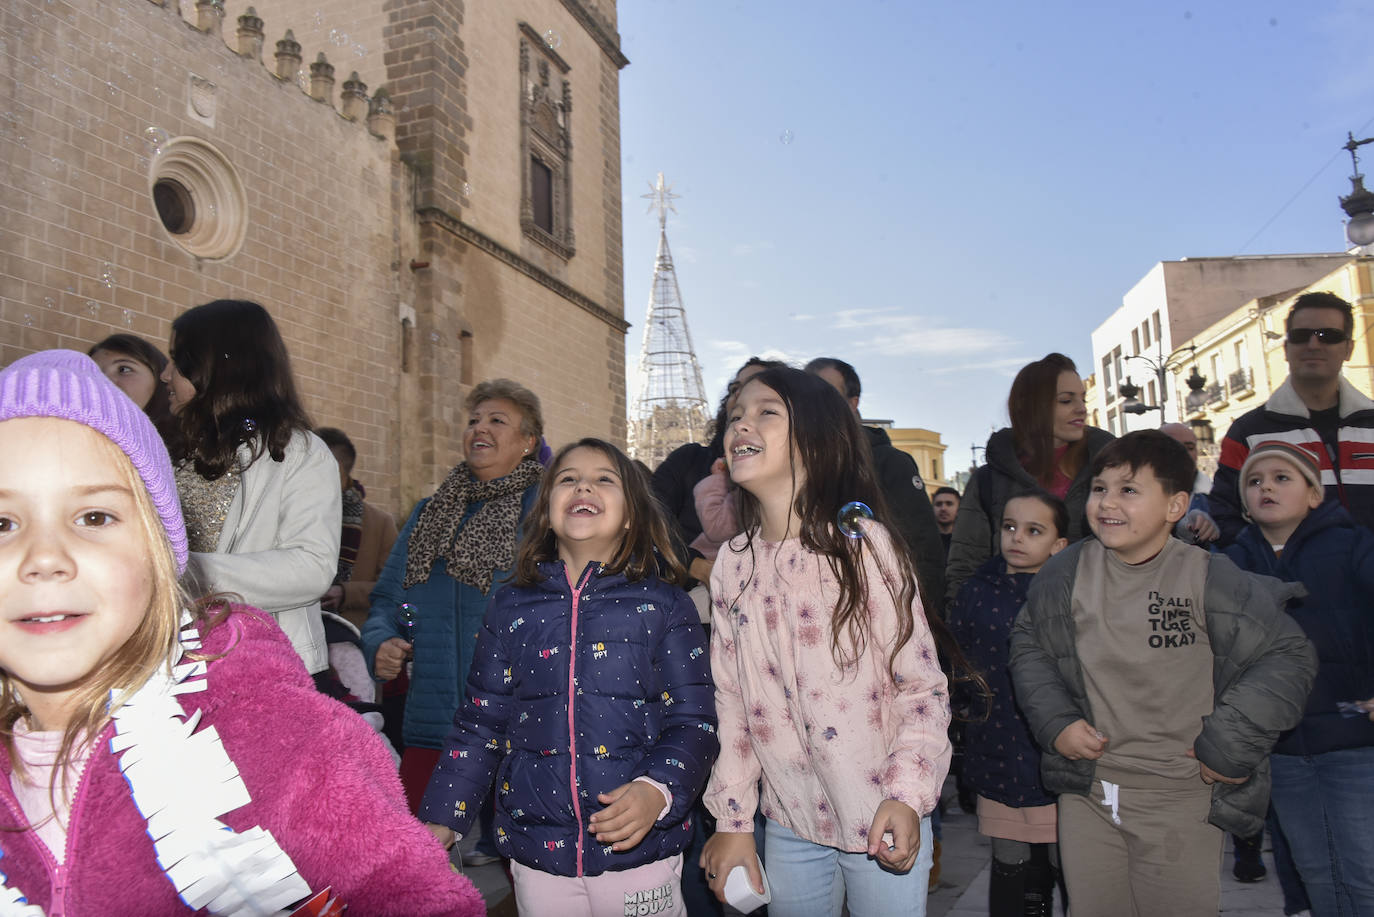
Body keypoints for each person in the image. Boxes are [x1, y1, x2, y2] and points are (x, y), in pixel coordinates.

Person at [0, 350, 483, 916]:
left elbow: (409, 890)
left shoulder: (271, 736)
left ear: (159, 551)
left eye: (94, 517)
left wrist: (375, 631)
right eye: (2, 523)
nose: (44, 558)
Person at [1008, 430, 1317, 917]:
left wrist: (1231, 743)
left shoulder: (1209, 576)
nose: (1107, 502)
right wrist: (1056, 722)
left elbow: (1288, 656)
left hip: (1178, 796)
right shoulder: (1065, 572)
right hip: (1088, 793)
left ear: (1175, 506)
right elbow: (1030, 647)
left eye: (1129, 490)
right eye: (1099, 488)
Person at [420, 439, 717, 916]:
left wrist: (657, 789)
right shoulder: (510, 606)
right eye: (567, 478)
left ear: (630, 516)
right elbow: (480, 725)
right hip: (537, 854)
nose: (583, 484)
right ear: (546, 512)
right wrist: (442, 819)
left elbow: (694, 721)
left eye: (604, 478)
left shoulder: (666, 606)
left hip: (638, 855)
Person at [699, 367, 952, 917]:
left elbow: (921, 686)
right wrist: (735, 821)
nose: (741, 423)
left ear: (818, 439)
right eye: (735, 414)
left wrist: (907, 796)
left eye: (767, 411)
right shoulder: (732, 566)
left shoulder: (864, 548)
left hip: (883, 809)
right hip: (791, 823)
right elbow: (733, 703)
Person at [361, 379, 544, 817]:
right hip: (435, 721)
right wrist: (380, 641)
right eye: (473, 421)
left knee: (530, 862)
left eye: (497, 421)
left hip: (522, 722)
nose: (479, 428)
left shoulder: (546, 512)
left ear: (528, 442)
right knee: (416, 854)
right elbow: (388, 599)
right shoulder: (431, 512)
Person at [1223, 441, 1374, 916]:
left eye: (1282, 477)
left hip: (1353, 738)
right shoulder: (1231, 567)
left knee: (1363, 869)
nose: (1265, 485)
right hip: (1281, 750)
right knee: (1313, 870)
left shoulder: (1354, 545)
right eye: (1254, 480)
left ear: (1315, 495)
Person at [162, 300, 341, 680]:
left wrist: (187, 571)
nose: (165, 375)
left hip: (268, 668)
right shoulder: (170, 452)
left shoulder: (298, 453)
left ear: (217, 367)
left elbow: (312, 567)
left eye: (177, 361)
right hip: (180, 667)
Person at [949, 492, 1068, 917]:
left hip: (1056, 751)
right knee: (1009, 856)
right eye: (1009, 527)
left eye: (1034, 530)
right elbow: (957, 661)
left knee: (1064, 859)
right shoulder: (977, 591)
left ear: (1059, 544)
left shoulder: (1072, 594)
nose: (1017, 538)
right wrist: (963, 718)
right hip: (996, 745)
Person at [945, 353, 1113, 605]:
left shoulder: (1109, 472)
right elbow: (964, 565)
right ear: (1030, 406)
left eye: (1082, 398)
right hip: (1006, 628)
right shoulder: (988, 480)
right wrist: (960, 629)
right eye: (1066, 400)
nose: (1081, 408)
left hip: (1095, 624)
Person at [1210, 291, 1374, 544]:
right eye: (1300, 336)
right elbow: (1224, 516)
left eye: (1328, 336)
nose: (1313, 345)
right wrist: (1272, 566)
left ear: (1349, 348)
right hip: (1288, 582)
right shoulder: (1247, 433)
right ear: (1286, 349)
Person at [805, 356, 947, 611]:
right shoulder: (794, 465)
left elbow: (922, 551)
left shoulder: (889, 464)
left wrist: (918, 623)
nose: (816, 403)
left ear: (853, 402)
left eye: (827, 392)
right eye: (806, 395)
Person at [314, 427, 399, 632]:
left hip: (354, 636)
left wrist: (346, 593)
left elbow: (396, 586)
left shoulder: (380, 523)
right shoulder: (290, 514)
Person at [88, 333, 174, 436]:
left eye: (124, 369)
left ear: (160, 379)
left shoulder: (191, 445)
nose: (104, 380)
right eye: (94, 371)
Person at [932, 486, 960, 559]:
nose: (943, 508)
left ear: (959, 508)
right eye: (938, 504)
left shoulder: (966, 541)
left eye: (949, 504)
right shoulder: (924, 541)